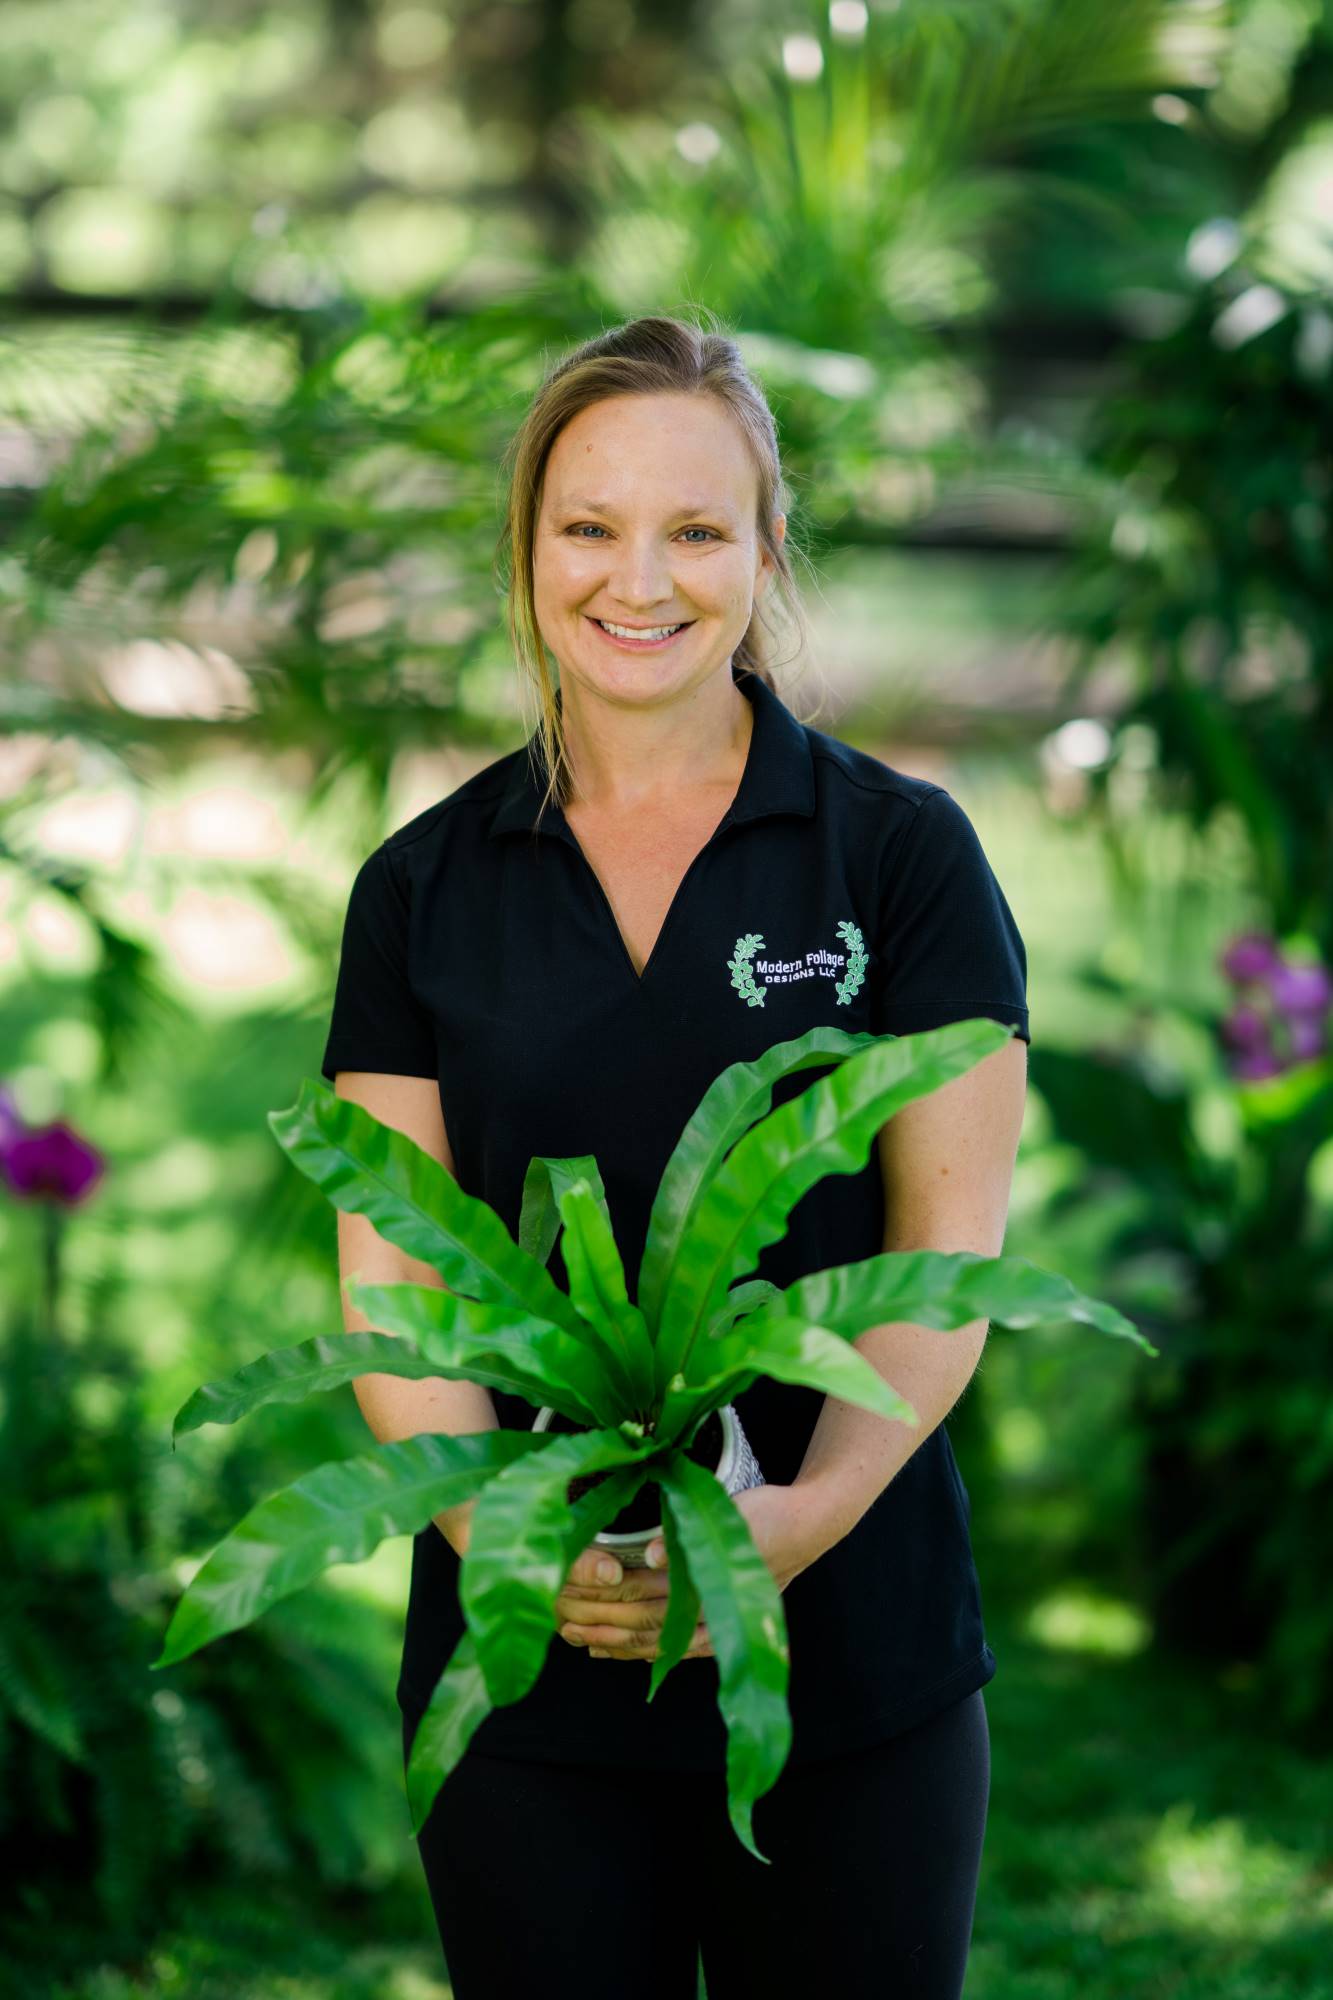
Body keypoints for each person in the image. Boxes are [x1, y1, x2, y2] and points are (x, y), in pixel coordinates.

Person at [322, 312, 1029, 1998]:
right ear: (529, 550)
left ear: (764, 552)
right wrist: (526, 1551)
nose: (637, 580)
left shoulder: (899, 858)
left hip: (851, 1654)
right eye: (589, 527)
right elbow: (400, 1285)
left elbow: (946, 1261)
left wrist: (788, 1525)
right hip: (526, 1667)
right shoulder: (421, 891)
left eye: (695, 530)